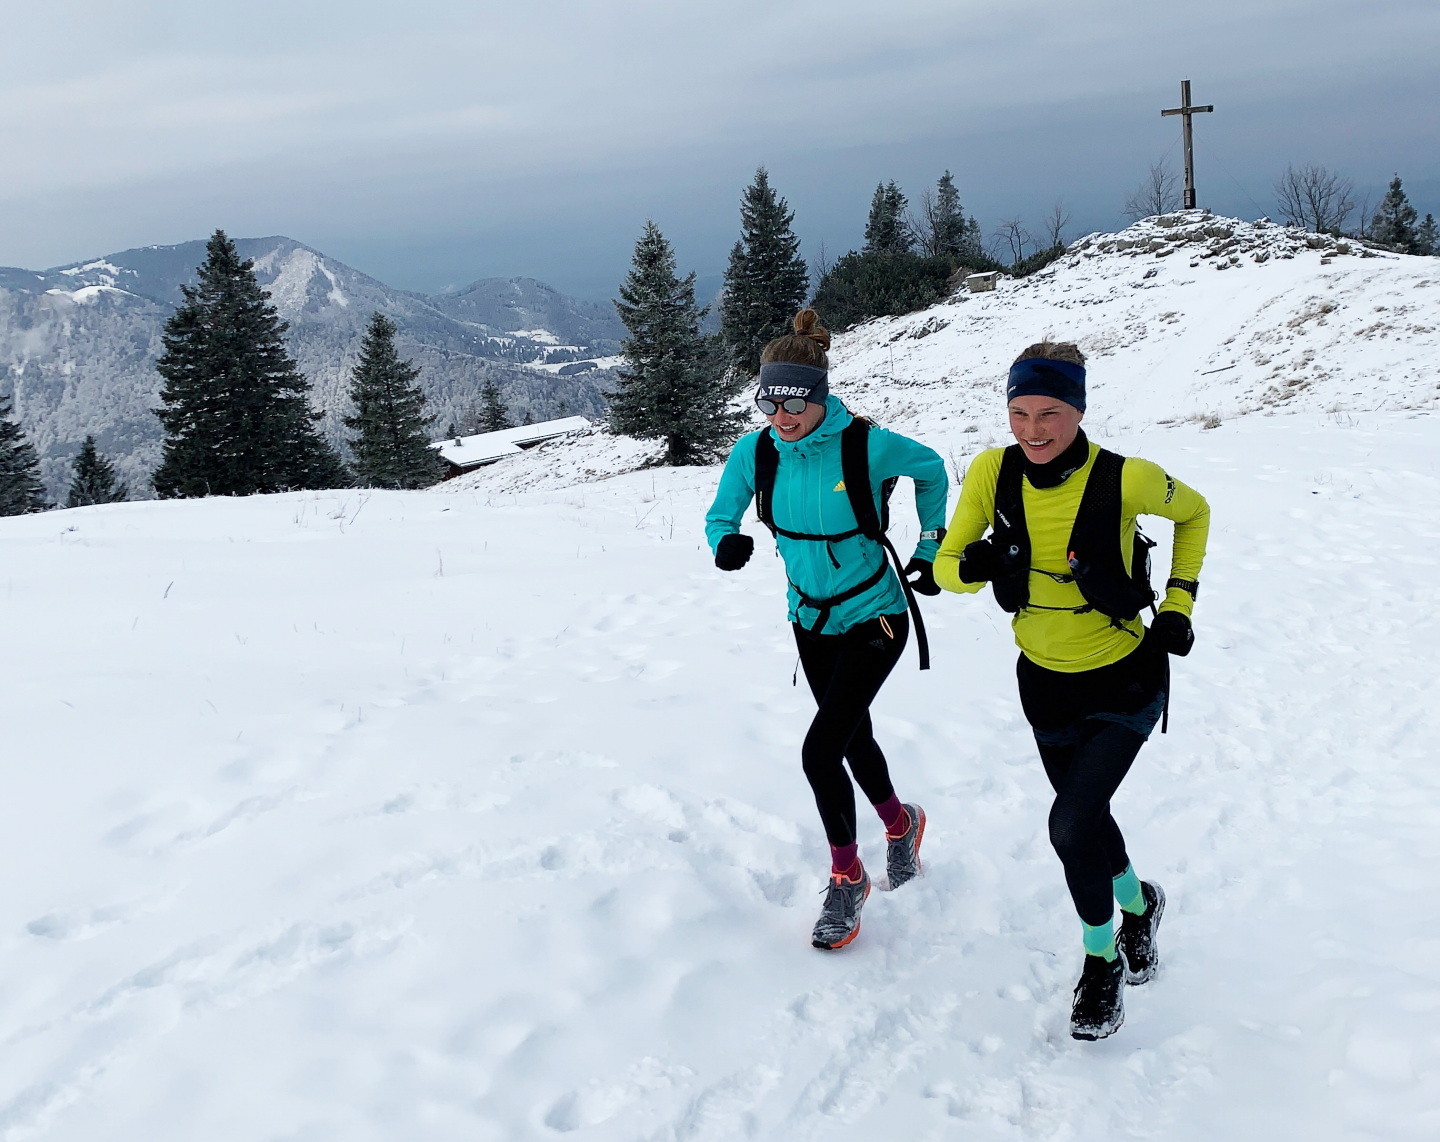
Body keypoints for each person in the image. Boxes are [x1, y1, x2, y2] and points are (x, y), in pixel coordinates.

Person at [934, 340, 1209, 1040]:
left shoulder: (1128, 477)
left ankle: (1100, 959)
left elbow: (1196, 512)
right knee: (1088, 820)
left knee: (1068, 825)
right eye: (1018, 412)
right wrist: (977, 564)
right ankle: (1139, 904)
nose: (1032, 430)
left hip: (1126, 678)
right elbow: (945, 569)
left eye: (1050, 413)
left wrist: (1178, 604)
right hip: (1043, 682)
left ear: (1079, 410)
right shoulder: (993, 472)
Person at [705, 309, 949, 950]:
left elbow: (930, 468)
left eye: (794, 403)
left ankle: (848, 875)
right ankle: (902, 825)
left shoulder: (863, 444)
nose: (781, 418)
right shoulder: (756, 450)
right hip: (808, 617)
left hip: (876, 613)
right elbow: (719, 513)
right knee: (850, 733)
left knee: (820, 749)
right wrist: (725, 541)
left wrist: (929, 542)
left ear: (820, 395)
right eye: (769, 402)